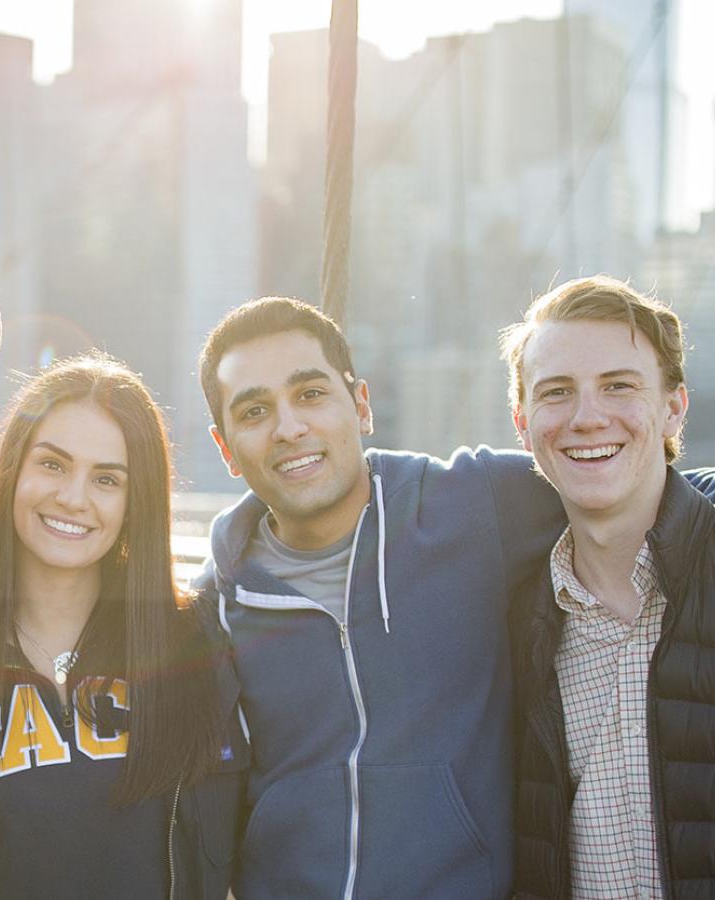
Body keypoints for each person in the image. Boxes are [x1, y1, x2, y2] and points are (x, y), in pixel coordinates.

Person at [194, 297, 568, 898]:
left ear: (361, 404)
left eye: (311, 394)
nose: (290, 428)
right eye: (256, 411)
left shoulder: (473, 506)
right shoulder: (213, 608)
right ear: (226, 448)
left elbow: (649, 490)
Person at [0, 351, 247, 900]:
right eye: (52, 464)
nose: (73, 498)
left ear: (135, 501)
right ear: (13, 469)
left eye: (107, 480)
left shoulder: (196, 641)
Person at [501, 277, 715, 899]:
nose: (588, 418)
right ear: (523, 423)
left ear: (674, 406)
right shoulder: (516, 624)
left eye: (619, 385)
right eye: (557, 392)